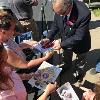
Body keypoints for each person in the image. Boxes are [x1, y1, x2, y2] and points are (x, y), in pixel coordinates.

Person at [0, 3, 53, 94]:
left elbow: (15, 47)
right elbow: (26, 65)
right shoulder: (4, 50)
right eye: (12, 29)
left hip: (21, 69)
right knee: (36, 86)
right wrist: (45, 58)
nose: (15, 32)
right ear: (3, 31)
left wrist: (27, 44)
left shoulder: (6, 38)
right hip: (19, 72)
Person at [41, 0, 91, 80]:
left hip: (81, 43)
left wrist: (61, 44)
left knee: (80, 60)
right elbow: (55, 24)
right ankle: (67, 66)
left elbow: (79, 36)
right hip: (66, 40)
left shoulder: (84, 13)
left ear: (69, 6)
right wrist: (48, 37)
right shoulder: (59, 8)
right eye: (55, 12)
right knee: (66, 57)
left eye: (61, 13)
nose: (59, 15)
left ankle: (78, 72)